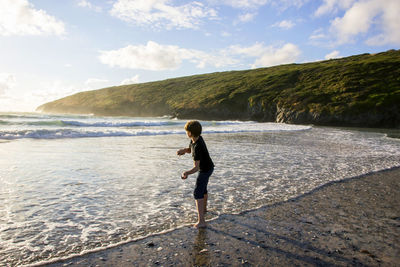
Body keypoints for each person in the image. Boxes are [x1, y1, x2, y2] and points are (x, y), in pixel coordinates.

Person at [177, 120, 214, 228]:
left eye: (186, 131)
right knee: (203, 189)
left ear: (189, 133)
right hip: (209, 167)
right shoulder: (196, 139)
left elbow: (196, 168)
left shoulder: (198, 147)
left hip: (205, 169)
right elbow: (190, 149)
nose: (186, 133)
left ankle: (201, 221)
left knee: (198, 192)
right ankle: (205, 209)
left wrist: (186, 173)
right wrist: (184, 150)